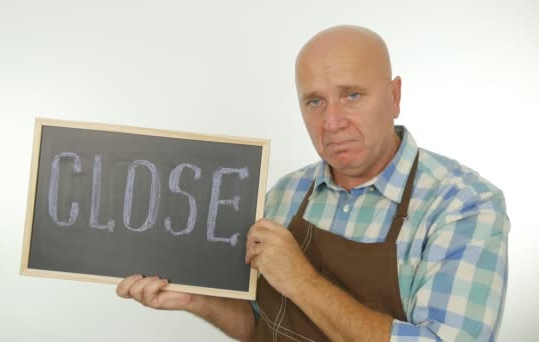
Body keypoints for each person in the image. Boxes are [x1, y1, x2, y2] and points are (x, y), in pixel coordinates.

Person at [116, 25, 509, 341]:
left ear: (394, 96)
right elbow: (260, 326)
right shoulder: (286, 195)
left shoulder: (463, 205)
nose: (332, 122)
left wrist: (301, 281)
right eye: (315, 101)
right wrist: (195, 300)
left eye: (352, 95)